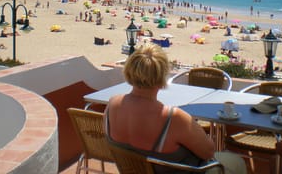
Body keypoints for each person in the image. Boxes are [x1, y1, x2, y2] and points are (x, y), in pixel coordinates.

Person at [104, 43, 246, 174]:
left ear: (129, 70)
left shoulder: (112, 105)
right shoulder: (173, 118)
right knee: (235, 162)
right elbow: (208, 152)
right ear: (162, 76)